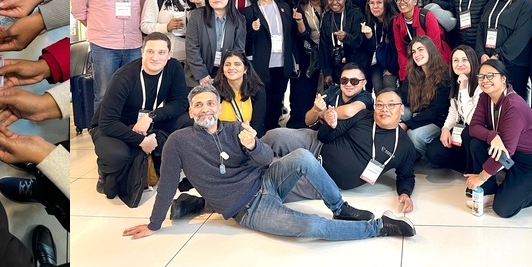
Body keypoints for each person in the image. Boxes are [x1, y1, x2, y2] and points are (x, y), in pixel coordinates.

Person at [123, 85, 416, 241]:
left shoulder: (235, 127)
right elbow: (167, 184)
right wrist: (154, 224)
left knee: (302, 156)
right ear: (190, 110)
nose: (205, 109)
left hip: (266, 180)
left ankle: (340, 208)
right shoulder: (178, 141)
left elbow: (265, 159)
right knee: (312, 228)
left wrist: (253, 145)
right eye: (198, 104)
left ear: (218, 106)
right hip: (249, 209)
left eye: (210, 103)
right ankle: (379, 228)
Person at [265, 89, 417, 211]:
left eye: (391, 105)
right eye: (379, 104)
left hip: (327, 179)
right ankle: (245, 155)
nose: (384, 109)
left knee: (272, 186)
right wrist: (330, 126)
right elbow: (324, 136)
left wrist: (405, 193)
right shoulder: (363, 116)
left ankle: (245, 181)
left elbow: (406, 176)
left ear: (402, 109)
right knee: (275, 135)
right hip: (317, 145)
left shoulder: (405, 147)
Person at [91, 33, 191, 199]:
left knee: (187, 121)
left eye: (161, 52)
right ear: (142, 52)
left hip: (145, 121)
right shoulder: (124, 77)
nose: (155, 57)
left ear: (169, 54)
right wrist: (142, 141)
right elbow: (107, 122)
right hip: (113, 126)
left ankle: (165, 160)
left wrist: (151, 116)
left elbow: (180, 103)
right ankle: (105, 168)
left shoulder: (173, 67)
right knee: (117, 156)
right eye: (150, 52)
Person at [464, 59, 532, 217]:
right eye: (481, 76)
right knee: (476, 142)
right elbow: (474, 127)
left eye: (490, 75)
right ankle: (489, 192)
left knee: (503, 209)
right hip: (512, 154)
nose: (485, 80)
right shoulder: (485, 97)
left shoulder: (513, 105)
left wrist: (481, 177)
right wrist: (492, 135)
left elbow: (506, 152)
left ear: (503, 78)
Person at [71, 0, 147, 110]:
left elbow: (142, 8)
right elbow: (78, 10)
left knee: (132, 92)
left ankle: (126, 132)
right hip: (104, 46)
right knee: (104, 93)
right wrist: (101, 28)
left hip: (133, 45)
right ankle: (102, 134)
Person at [476, 0, 532, 102]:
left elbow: (521, 36)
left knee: (511, 104)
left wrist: (497, 56)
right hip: (489, 62)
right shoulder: (492, 3)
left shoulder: (525, 4)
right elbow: (481, 29)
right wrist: (481, 53)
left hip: (512, 66)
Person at [243, 0, 293, 135]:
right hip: (261, 64)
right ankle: (260, 133)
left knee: (278, 98)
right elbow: (245, 43)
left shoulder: (284, 8)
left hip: (282, 63)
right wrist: (253, 30)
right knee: (262, 100)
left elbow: (290, 35)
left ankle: (273, 132)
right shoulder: (249, 12)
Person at [425, 46, 480, 173]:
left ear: (472, 61)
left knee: (468, 135)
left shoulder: (480, 86)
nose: (459, 64)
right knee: (433, 153)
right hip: (458, 131)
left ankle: (473, 166)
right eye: (455, 60)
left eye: (464, 60)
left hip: (473, 134)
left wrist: (464, 89)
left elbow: (472, 120)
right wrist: (445, 129)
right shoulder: (456, 81)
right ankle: (465, 164)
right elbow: (454, 111)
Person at [184, 0, 246, 86]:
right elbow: (192, 48)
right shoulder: (197, 16)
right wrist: (201, 74)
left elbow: (238, 50)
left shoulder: (239, 20)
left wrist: (225, 74)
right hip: (197, 76)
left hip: (226, 76)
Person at [399, 36, 451, 157]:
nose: (416, 54)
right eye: (413, 51)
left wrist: (407, 124)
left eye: (420, 49)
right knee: (402, 112)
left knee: (414, 135)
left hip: (437, 121)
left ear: (430, 51)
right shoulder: (413, 74)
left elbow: (435, 111)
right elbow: (403, 97)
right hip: (418, 114)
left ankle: (418, 155)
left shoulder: (444, 77)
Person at [288, 0, 326, 128]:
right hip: (309, 53)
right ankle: (300, 122)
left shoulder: (330, 5)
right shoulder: (302, 7)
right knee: (305, 89)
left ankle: (319, 120)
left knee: (323, 88)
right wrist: (299, 21)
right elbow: (303, 34)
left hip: (328, 50)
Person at [391, 0, 450, 81]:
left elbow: (435, 47)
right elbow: (401, 51)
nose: (402, 2)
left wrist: (426, 73)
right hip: (414, 63)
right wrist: (407, 75)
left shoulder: (426, 16)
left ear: (415, 1)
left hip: (435, 63)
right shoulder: (396, 21)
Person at [318, 0, 365, 86]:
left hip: (354, 63)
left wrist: (346, 37)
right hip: (334, 63)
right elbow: (324, 46)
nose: (334, 2)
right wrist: (327, 72)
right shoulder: (327, 16)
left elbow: (360, 41)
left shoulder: (356, 14)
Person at [214, 50, 267, 135]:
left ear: (245, 69)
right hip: (221, 138)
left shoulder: (257, 90)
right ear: (223, 69)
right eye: (227, 64)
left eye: (237, 64)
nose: (231, 68)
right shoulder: (214, 91)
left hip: (248, 137)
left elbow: (257, 124)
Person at [302, 64, 373, 128]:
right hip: (321, 135)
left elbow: (347, 112)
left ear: (364, 83)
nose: (348, 84)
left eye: (354, 81)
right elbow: (308, 121)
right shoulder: (331, 91)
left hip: (349, 139)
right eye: (344, 80)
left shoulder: (366, 96)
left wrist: (322, 114)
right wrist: (315, 110)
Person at [361, 0, 398, 92]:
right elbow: (369, 49)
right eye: (372, 3)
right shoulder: (369, 21)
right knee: (377, 86)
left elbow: (398, 49)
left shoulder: (394, 21)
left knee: (388, 85)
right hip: (377, 62)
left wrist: (391, 69)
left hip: (392, 62)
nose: (375, 6)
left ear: (386, 3)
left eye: (379, 2)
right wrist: (369, 36)